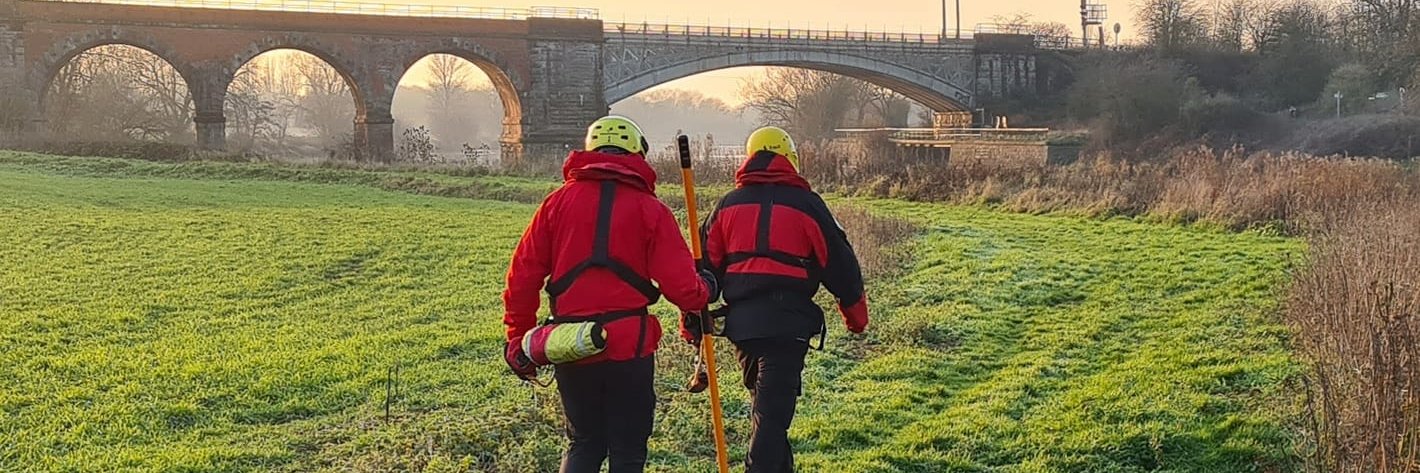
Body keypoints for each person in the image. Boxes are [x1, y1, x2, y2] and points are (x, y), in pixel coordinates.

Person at [503, 115, 718, 473]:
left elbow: (521, 278)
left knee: (584, 443)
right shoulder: (651, 210)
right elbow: (682, 287)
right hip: (629, 349)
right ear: (637, 154)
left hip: (570, 344)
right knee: (628, 451)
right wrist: (705, 290)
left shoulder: (555, 205)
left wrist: (518, 337)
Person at [686, 126, 869, 472]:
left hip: (744, 328)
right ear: (791, 160)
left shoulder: (727, 205)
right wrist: (855, 318)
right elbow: (842, 266)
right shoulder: (808, 205)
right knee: (770, 418)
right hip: (788, 326)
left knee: (768, 411)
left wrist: (691, 321)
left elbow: (700, 272)